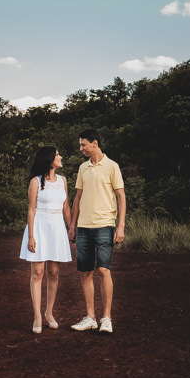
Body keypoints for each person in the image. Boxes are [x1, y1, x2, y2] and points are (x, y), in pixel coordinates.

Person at [68, 128, 125, 334]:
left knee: (103, 270)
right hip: (83, 226)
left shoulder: (112, 166)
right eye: (80, 145)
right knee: (85, 272)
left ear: (95, 143)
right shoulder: (83, 168)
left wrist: (120, 225)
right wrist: (73, 225)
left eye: (83, 144)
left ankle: (106, 318)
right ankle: (90, 317)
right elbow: (77, 198)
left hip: (104, 225)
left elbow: (121, 197)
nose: (81, 148)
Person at [19, 145, 73, 333]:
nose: (61, 157)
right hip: (40, 228)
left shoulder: (63, 181)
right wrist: (31, 236)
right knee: (38, 272)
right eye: (57, 155)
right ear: (49, 160)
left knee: (54, 273)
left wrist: (71, 227)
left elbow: (66, 207)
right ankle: (37, 317)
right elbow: (31, 209)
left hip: (57, 227)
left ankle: (49, 313)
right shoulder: (35, 181)